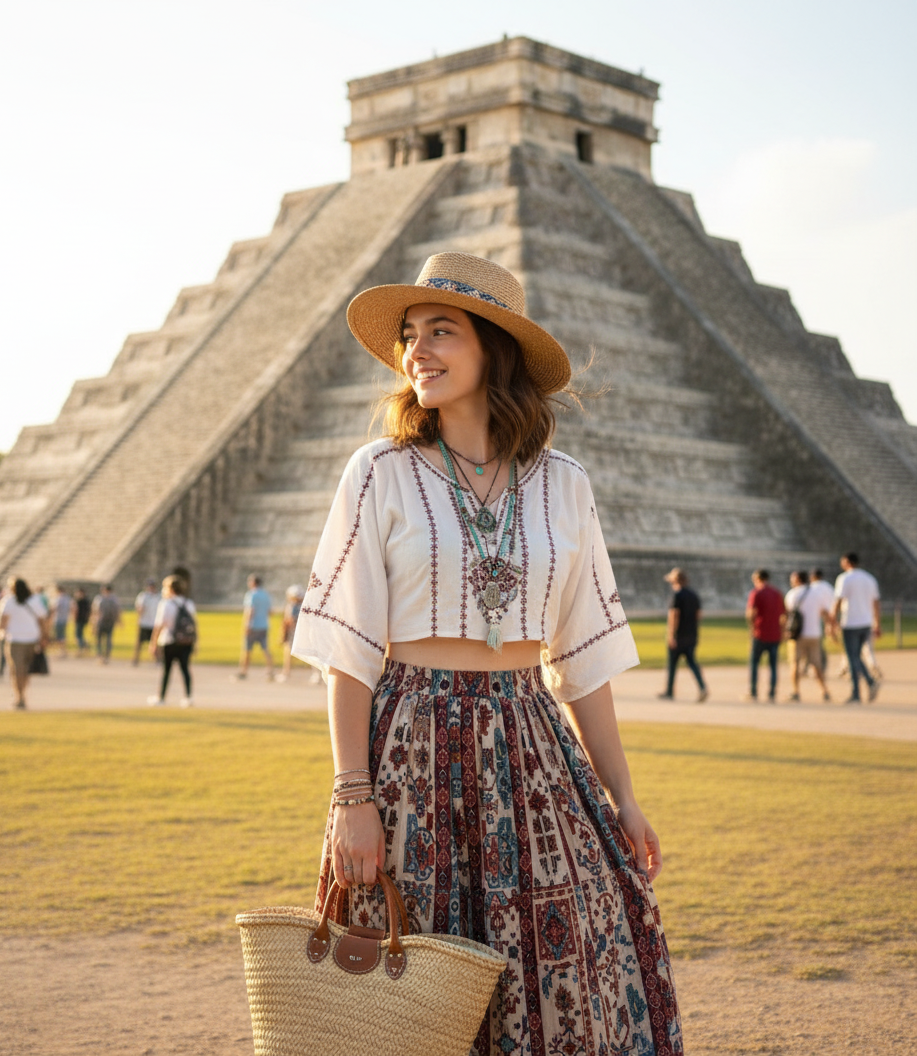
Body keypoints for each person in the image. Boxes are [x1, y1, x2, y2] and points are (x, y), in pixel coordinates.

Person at [291, 252, 682, 1054]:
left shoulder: (563, 483)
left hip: (533, 749)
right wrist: (350, 797)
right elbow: (350, 652)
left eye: (442, 331)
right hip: (408, 749)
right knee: (406, 997)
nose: (417, 351)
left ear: (494, 348)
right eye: (409, 335)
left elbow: (583, 660)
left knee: (564, 972)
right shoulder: (380, 473)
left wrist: (625, 795)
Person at [831, 552, 881, 704]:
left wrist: (832, 621)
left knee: (852, 658)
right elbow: (876, 602)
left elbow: (838, 601)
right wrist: (877, 622)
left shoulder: (845, 578)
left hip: (851, 623)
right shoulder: (869, 578)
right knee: (856, 656)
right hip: (866, 622)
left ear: (847, 562)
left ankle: (856, 693)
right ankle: (869, 682)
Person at [0, 576, 48, 710]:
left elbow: (3, 622)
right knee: (24, 670)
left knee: (17, 670)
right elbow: (42, 620)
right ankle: (21, 695)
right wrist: (43, 637)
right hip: (31, 638)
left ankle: (19, 695)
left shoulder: (9, 601)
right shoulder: (34, 600)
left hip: (15, 639)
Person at [658, 567, 708, 702]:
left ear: (675, 581)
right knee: (692, 662)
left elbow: (674, 616)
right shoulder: (694, 595)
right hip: (691, 635)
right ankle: (703, 687)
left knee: (672, 664)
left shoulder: (677, 596)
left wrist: (671, 635)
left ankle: (669, 691)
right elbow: (698, 615)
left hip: (679, 636)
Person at [147, 574, 197, 706]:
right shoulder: (189, 603)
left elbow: (159, 626)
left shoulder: (166, 604)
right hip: (186, 641)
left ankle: (162, 697)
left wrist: (153, 644)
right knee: (185, 669)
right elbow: (193, 624)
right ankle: (188, 697)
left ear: (170, 589)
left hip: (169, 640)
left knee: (167, 671)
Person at [783, 570, 830, 703]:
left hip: (797, 634)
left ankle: (796, 691)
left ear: (797, 579)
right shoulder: (816, 593)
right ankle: (824, 690)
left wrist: (784, 631)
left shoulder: (792, 594)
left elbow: (787, 614)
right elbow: (825, 612)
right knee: (816, 665)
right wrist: (829, 626)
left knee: (795, 664)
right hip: (814, 634)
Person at [745, 569, 785, 702]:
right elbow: (784, 615)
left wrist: (752, 629)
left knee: (754, 664)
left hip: (760, 633)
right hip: (775, 634)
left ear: (757, 579)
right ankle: (772, 693)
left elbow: (751, 613)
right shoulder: (777, 593)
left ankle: (753, 692)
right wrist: (782, 631)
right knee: (773, 666)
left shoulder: (756, 593)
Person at [236, 574, 273, 680]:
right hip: (264, 625)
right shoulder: (266, 594)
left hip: (253, 626)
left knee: (247, 650)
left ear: (253, 583)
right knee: (266, 649)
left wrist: (247, 625)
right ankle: (270, 670)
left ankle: (243, 671)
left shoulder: (251, 594)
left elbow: (250, 610)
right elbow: (270, 611)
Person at [275, 584, 304, 682]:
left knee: (288, 653)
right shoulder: (304, 606)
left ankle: (286, 673)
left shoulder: (292, 606)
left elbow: (289, 620)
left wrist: (283, 633)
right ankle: (316, 674)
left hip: (293, 632)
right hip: (302, 632)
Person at [91, 584, 122, 664]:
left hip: (104, 621)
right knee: (103, 639)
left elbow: (95, 611)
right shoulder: (113, 599)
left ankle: (102, 656)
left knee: (102, 639)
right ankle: (103, 656)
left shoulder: (100, 599)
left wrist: (93, 622)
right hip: (107, 621)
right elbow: (117, 611)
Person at [133, 579, 160, 665]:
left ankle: (158, 660)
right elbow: (139, 608)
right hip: (144, 622)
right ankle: (136, 659)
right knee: (139, 642)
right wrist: (140, 610)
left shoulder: (159, 596)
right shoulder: (143, 596)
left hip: (155, 623)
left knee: (156, 643)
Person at [51, 585, 72, 657]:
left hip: (58, 618)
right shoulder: (67, 598)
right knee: (63, 635)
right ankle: (64, 650)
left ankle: (61, 651)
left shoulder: (59, 598)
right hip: (65, 618)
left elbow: (55, 608)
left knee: (59, 635)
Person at [73, 587, 91, 655]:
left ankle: (81, 648)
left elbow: (76, 611)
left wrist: (75, 618)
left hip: (80, 620)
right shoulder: (86, 601)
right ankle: (85, 646)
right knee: (80, 634)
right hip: (84, 620)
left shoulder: (79, 601)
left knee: (78, 634)